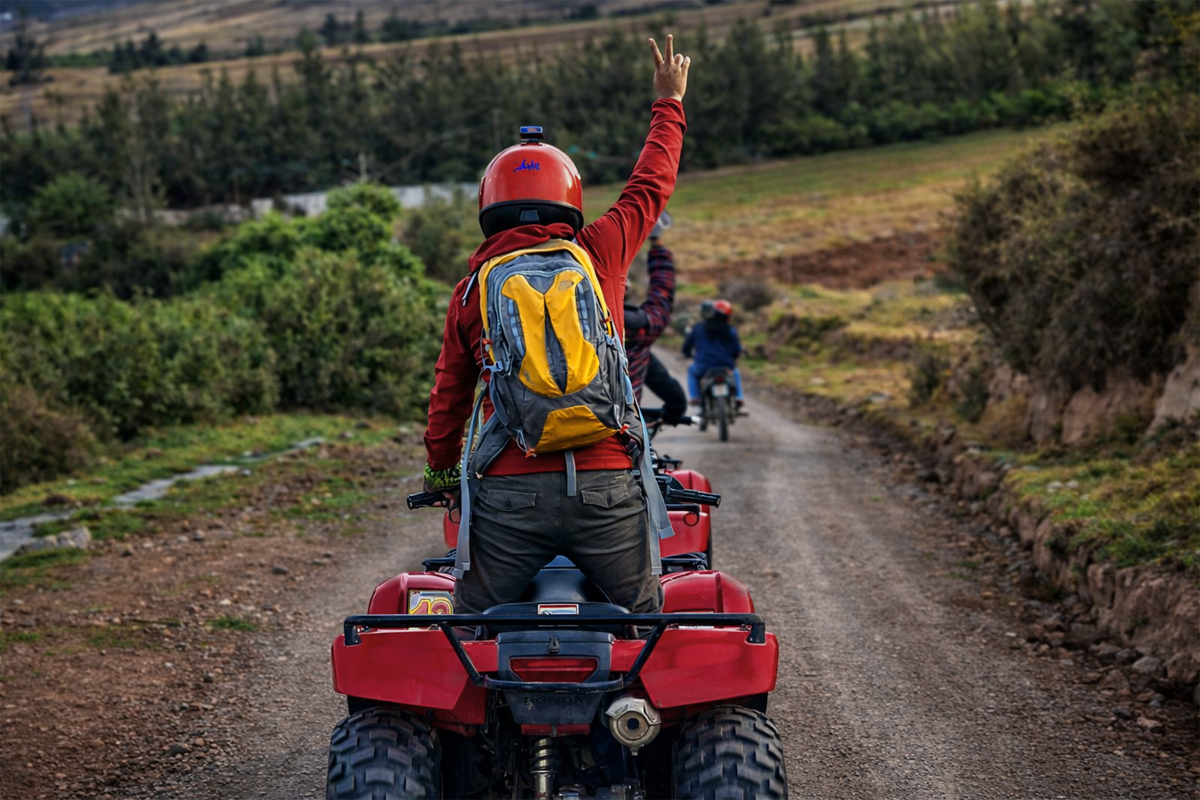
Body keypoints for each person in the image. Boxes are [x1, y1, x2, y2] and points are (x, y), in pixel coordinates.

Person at [422, 35, 691, 615]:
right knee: (643, 631)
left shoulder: (472, 289)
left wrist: (443, 471)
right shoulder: (600, 252)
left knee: (474, 633)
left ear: (489, 205)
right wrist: (668, 102)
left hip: (509, 492)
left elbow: (449, 395)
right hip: (607, 487)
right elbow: (651, 185)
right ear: (568, 201)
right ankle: (633, 707)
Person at [624, 213, 688, 421]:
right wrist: (657, 243)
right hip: (621, 429)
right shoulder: (632, 329)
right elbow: (661, 297)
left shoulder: (560, 321)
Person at [682, 298, 745, 406]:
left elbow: (686, 347)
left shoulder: (698, 327)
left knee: (691, 371)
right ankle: (739, 397)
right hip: (726, 365)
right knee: (735, 372)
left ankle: (695, 397)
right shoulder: (730, 329)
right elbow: (737, 350)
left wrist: (687, 354)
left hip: (703, 366)